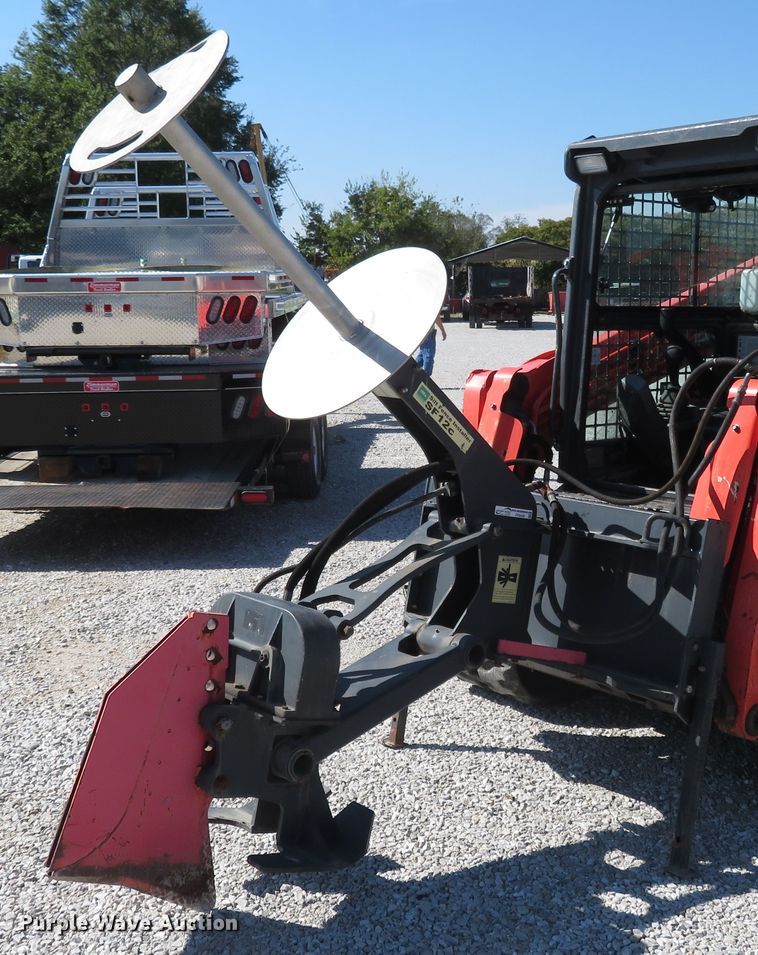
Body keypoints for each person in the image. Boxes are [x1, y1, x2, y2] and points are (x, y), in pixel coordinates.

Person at [414, 305, 448, 375]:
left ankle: (414, 371)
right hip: (428, 335)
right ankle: (426, 377)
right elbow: (436, 317)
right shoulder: (429, 305)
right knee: (428, 356)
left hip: (424, 335)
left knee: (422, 354)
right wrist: (443, 330)